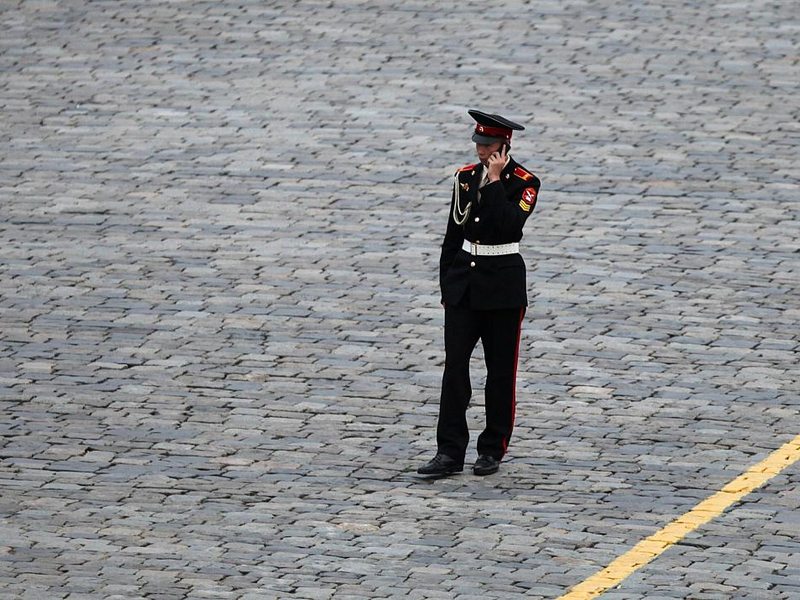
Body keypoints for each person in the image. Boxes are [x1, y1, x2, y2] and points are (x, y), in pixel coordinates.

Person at [418, 109, 541, 477]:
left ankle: (492, 449)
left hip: (503, 288)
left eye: (488, 146)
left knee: (500, 372)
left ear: (504, 146)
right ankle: (449, 451)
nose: (481, 152)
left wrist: (496, 181)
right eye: (479, 144)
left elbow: (509, 225)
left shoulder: (524, 182)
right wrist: (446, 285)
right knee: (455, 370)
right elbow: (453, 235)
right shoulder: (464, 178)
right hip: (465, 286)